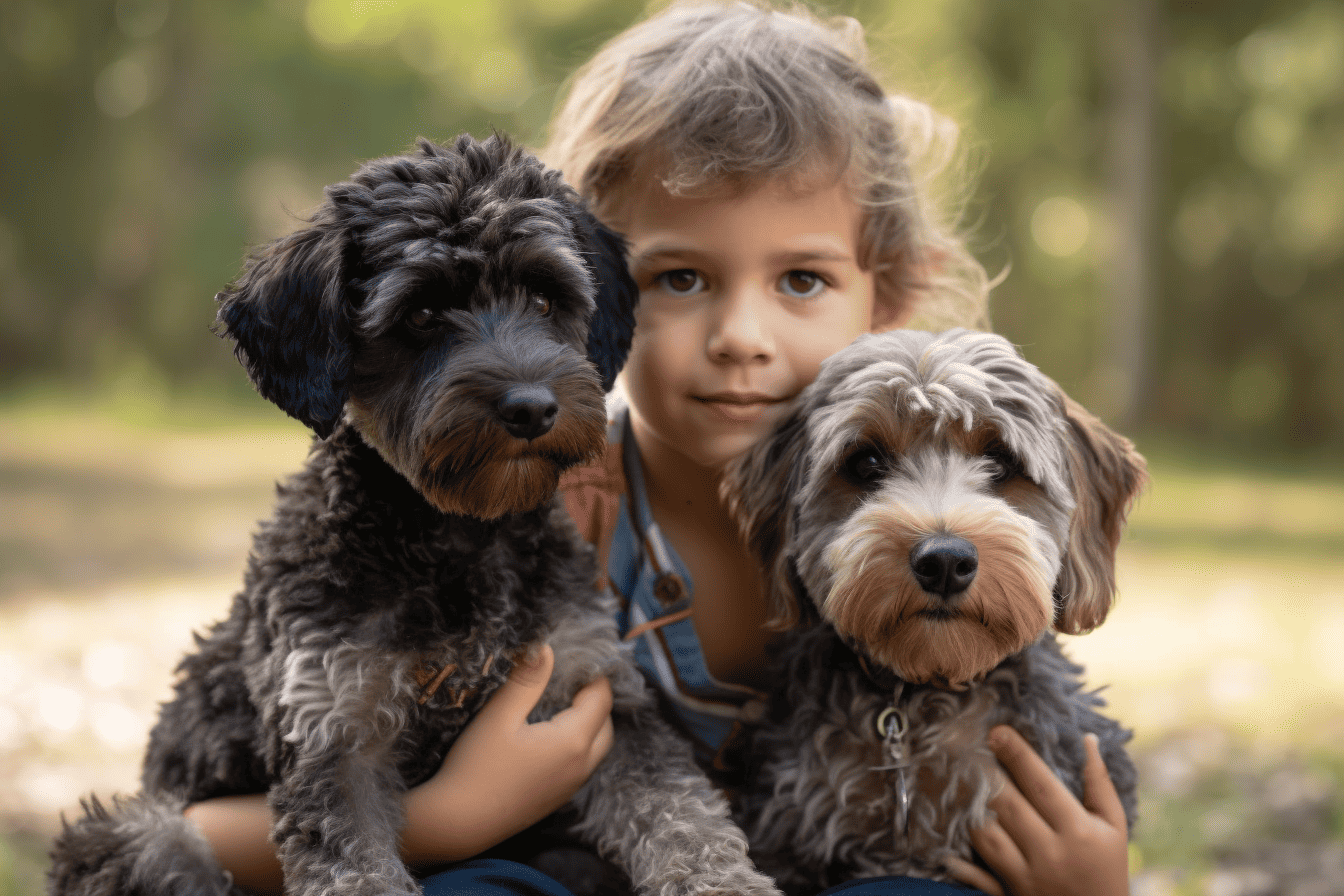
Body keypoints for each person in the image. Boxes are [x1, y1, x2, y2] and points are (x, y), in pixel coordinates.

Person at [183, 3, 1132, 895]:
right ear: (595, 299)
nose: (741, 335)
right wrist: (443, 820)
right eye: (679, 277)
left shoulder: (962, 537)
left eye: (802, 278)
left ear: (888, 294)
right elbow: (194, 825)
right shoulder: (532, 511)